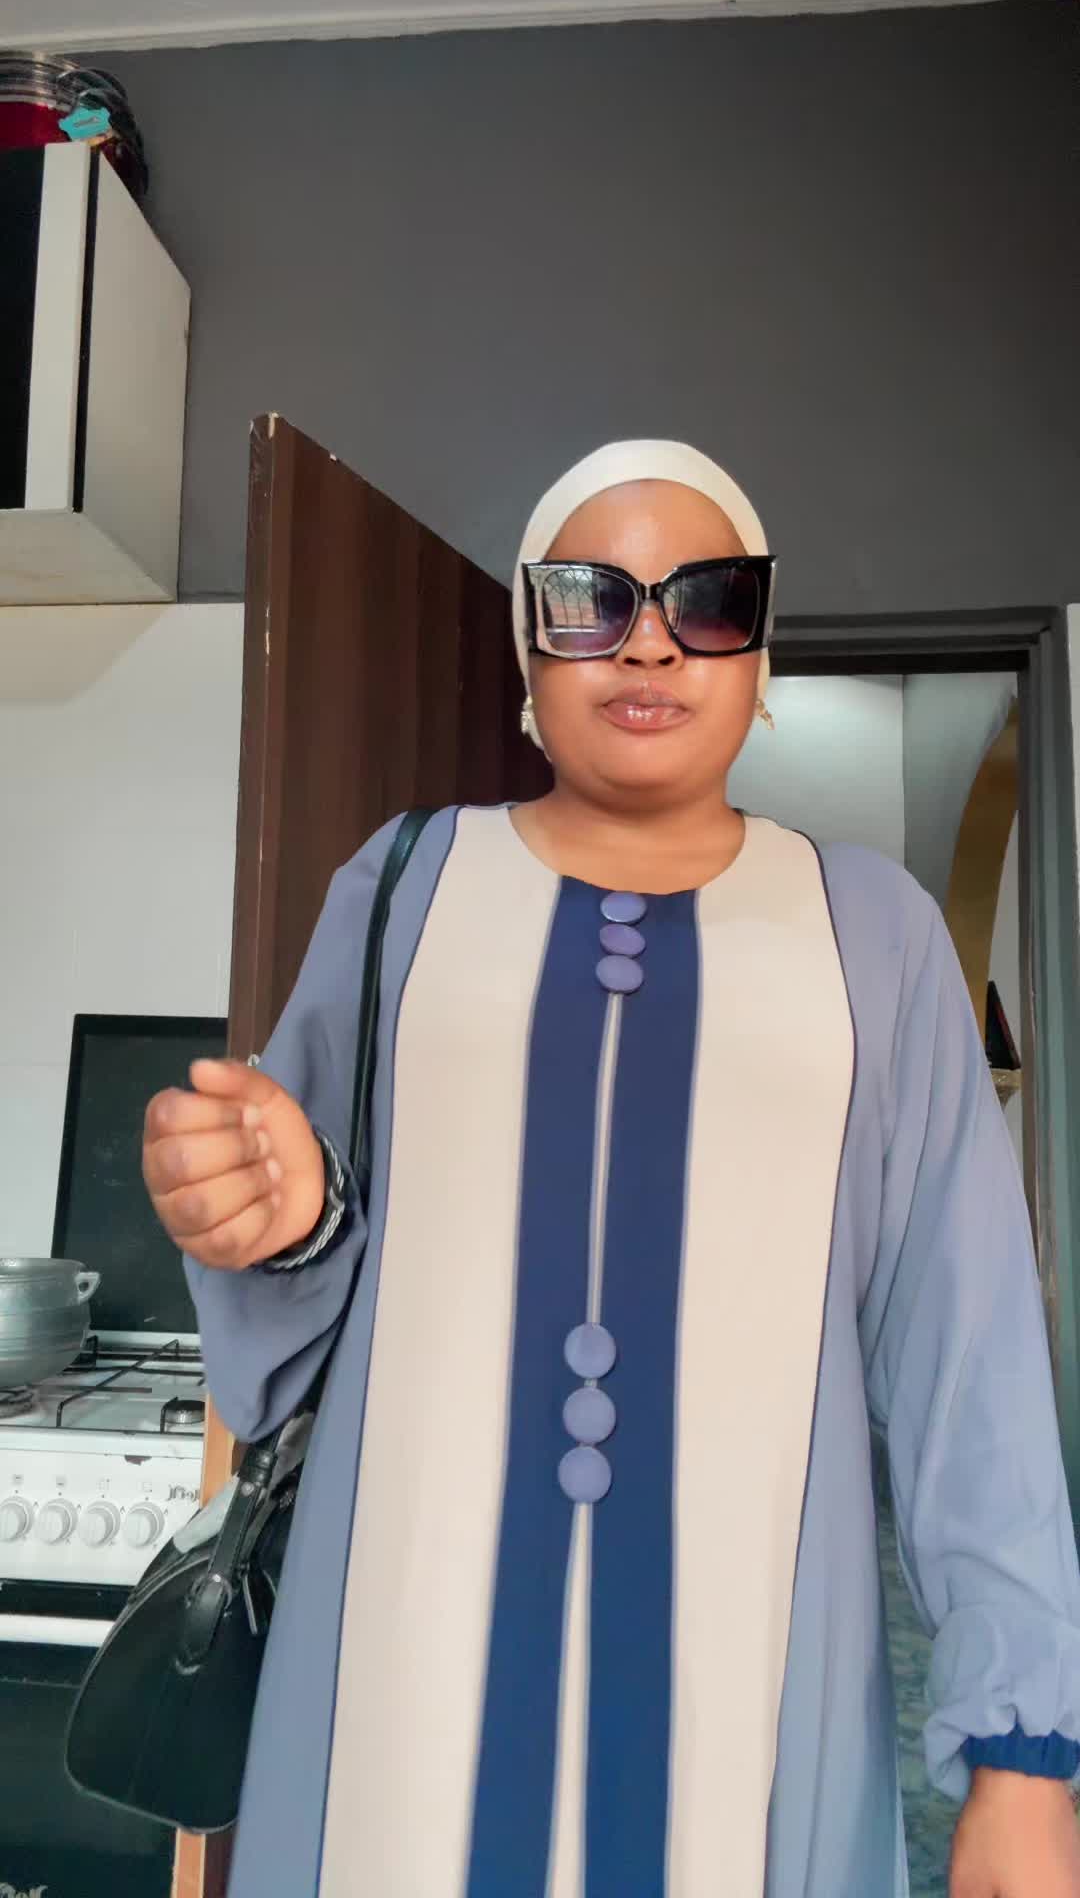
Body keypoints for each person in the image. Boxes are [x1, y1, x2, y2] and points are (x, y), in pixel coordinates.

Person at [143, 441, 1080, 1897]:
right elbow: (292, 1314)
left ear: (761, 651)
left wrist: (1022, 1754)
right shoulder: (402, 887)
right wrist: (274, 1220)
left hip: (755, 1706)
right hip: (395, 1676)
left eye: (708, 599)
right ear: (529, 645)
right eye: (591, 599)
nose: (649, 642)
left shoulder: (876, 936)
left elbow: (971, 1363)